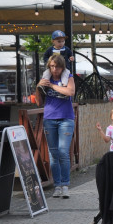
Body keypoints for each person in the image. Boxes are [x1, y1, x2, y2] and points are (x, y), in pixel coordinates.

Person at [38, 52, 76, 198]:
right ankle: (57, 185)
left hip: (66, 118)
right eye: (52, 66)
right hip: (49, 118)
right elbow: (39, 102)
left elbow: (70, 91)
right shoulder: (45, 78)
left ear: (62, 67)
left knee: (63, 152)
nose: (55, 69)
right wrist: (38, 86)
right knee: (53, 154)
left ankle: (65, 184)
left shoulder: (68, 77)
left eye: (57, 67)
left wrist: (53, 86)